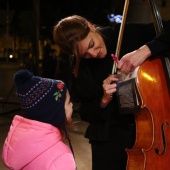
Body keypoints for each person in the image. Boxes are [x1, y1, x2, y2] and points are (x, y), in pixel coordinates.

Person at [53, 15, 170, 170]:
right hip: (108, 141)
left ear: (91, 26)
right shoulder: (81, 68)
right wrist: (103, 100)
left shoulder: (126, 33)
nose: (93, 54)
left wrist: (146, 50)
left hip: (151, 133)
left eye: (92, 44)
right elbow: (86, 112)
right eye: (85, 54)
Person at [2, 69, 76, 170]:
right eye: (68, 102)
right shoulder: (61, 158)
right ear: (54, 112)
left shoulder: (20, 146)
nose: (72, 105)